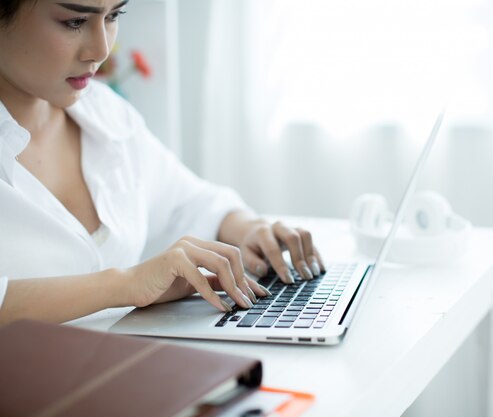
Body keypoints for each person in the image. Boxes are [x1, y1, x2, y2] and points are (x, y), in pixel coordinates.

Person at [0, 0, 325, 325]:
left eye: (113, 16)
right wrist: (124, 285)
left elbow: (189, 201)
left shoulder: (107, 114)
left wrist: (248, 229)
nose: (101, 50)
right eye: (74, 22)